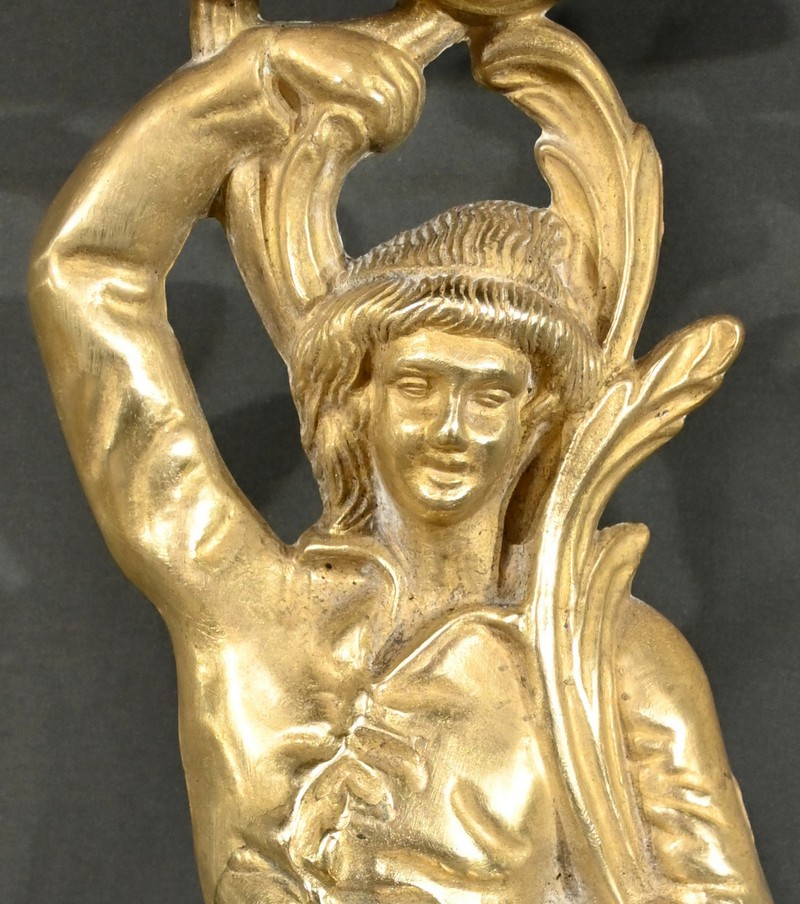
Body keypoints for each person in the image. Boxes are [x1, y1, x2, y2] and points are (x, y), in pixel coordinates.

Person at [29, 14, 772, 904]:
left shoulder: (610, 656)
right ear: (358, 402)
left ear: (535, 421)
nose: (451, 426)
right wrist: (253, 80)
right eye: (416, 384)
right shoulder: (241, 603)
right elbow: (86, 275)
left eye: (490, 395)